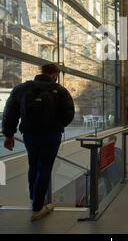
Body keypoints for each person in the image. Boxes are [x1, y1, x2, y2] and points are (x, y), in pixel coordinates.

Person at [2, 63, 74, 221]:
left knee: (33, 164)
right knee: (45, 168)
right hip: (51, 135)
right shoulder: (60, 91)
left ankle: (34, 198)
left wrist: (8, 135)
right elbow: (69, 113)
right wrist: (57, 125)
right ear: (54, 74)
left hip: (29, 134)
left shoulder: (21, 89)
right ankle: (37, 208)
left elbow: (9, 113)